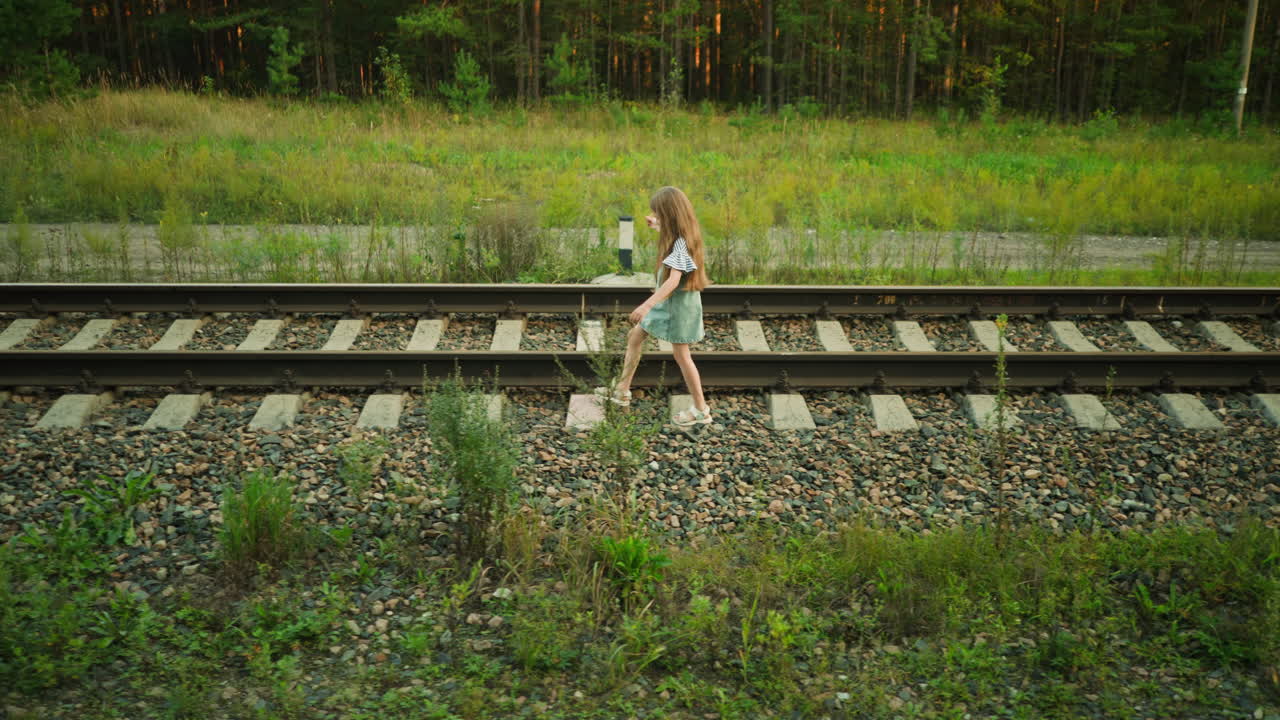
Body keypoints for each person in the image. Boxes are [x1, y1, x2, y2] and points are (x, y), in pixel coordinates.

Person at [597, 186, 712, 426]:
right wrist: (656, 225)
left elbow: (672, 281)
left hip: (675, 311)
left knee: (682, 356)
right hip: (669, 307)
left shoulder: (680, 244)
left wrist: (646, 306)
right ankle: (622, 389)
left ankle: (701, 409)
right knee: (635, 336)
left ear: (670, 214)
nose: (654, 217)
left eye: (657, 213)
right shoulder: (683, 235)